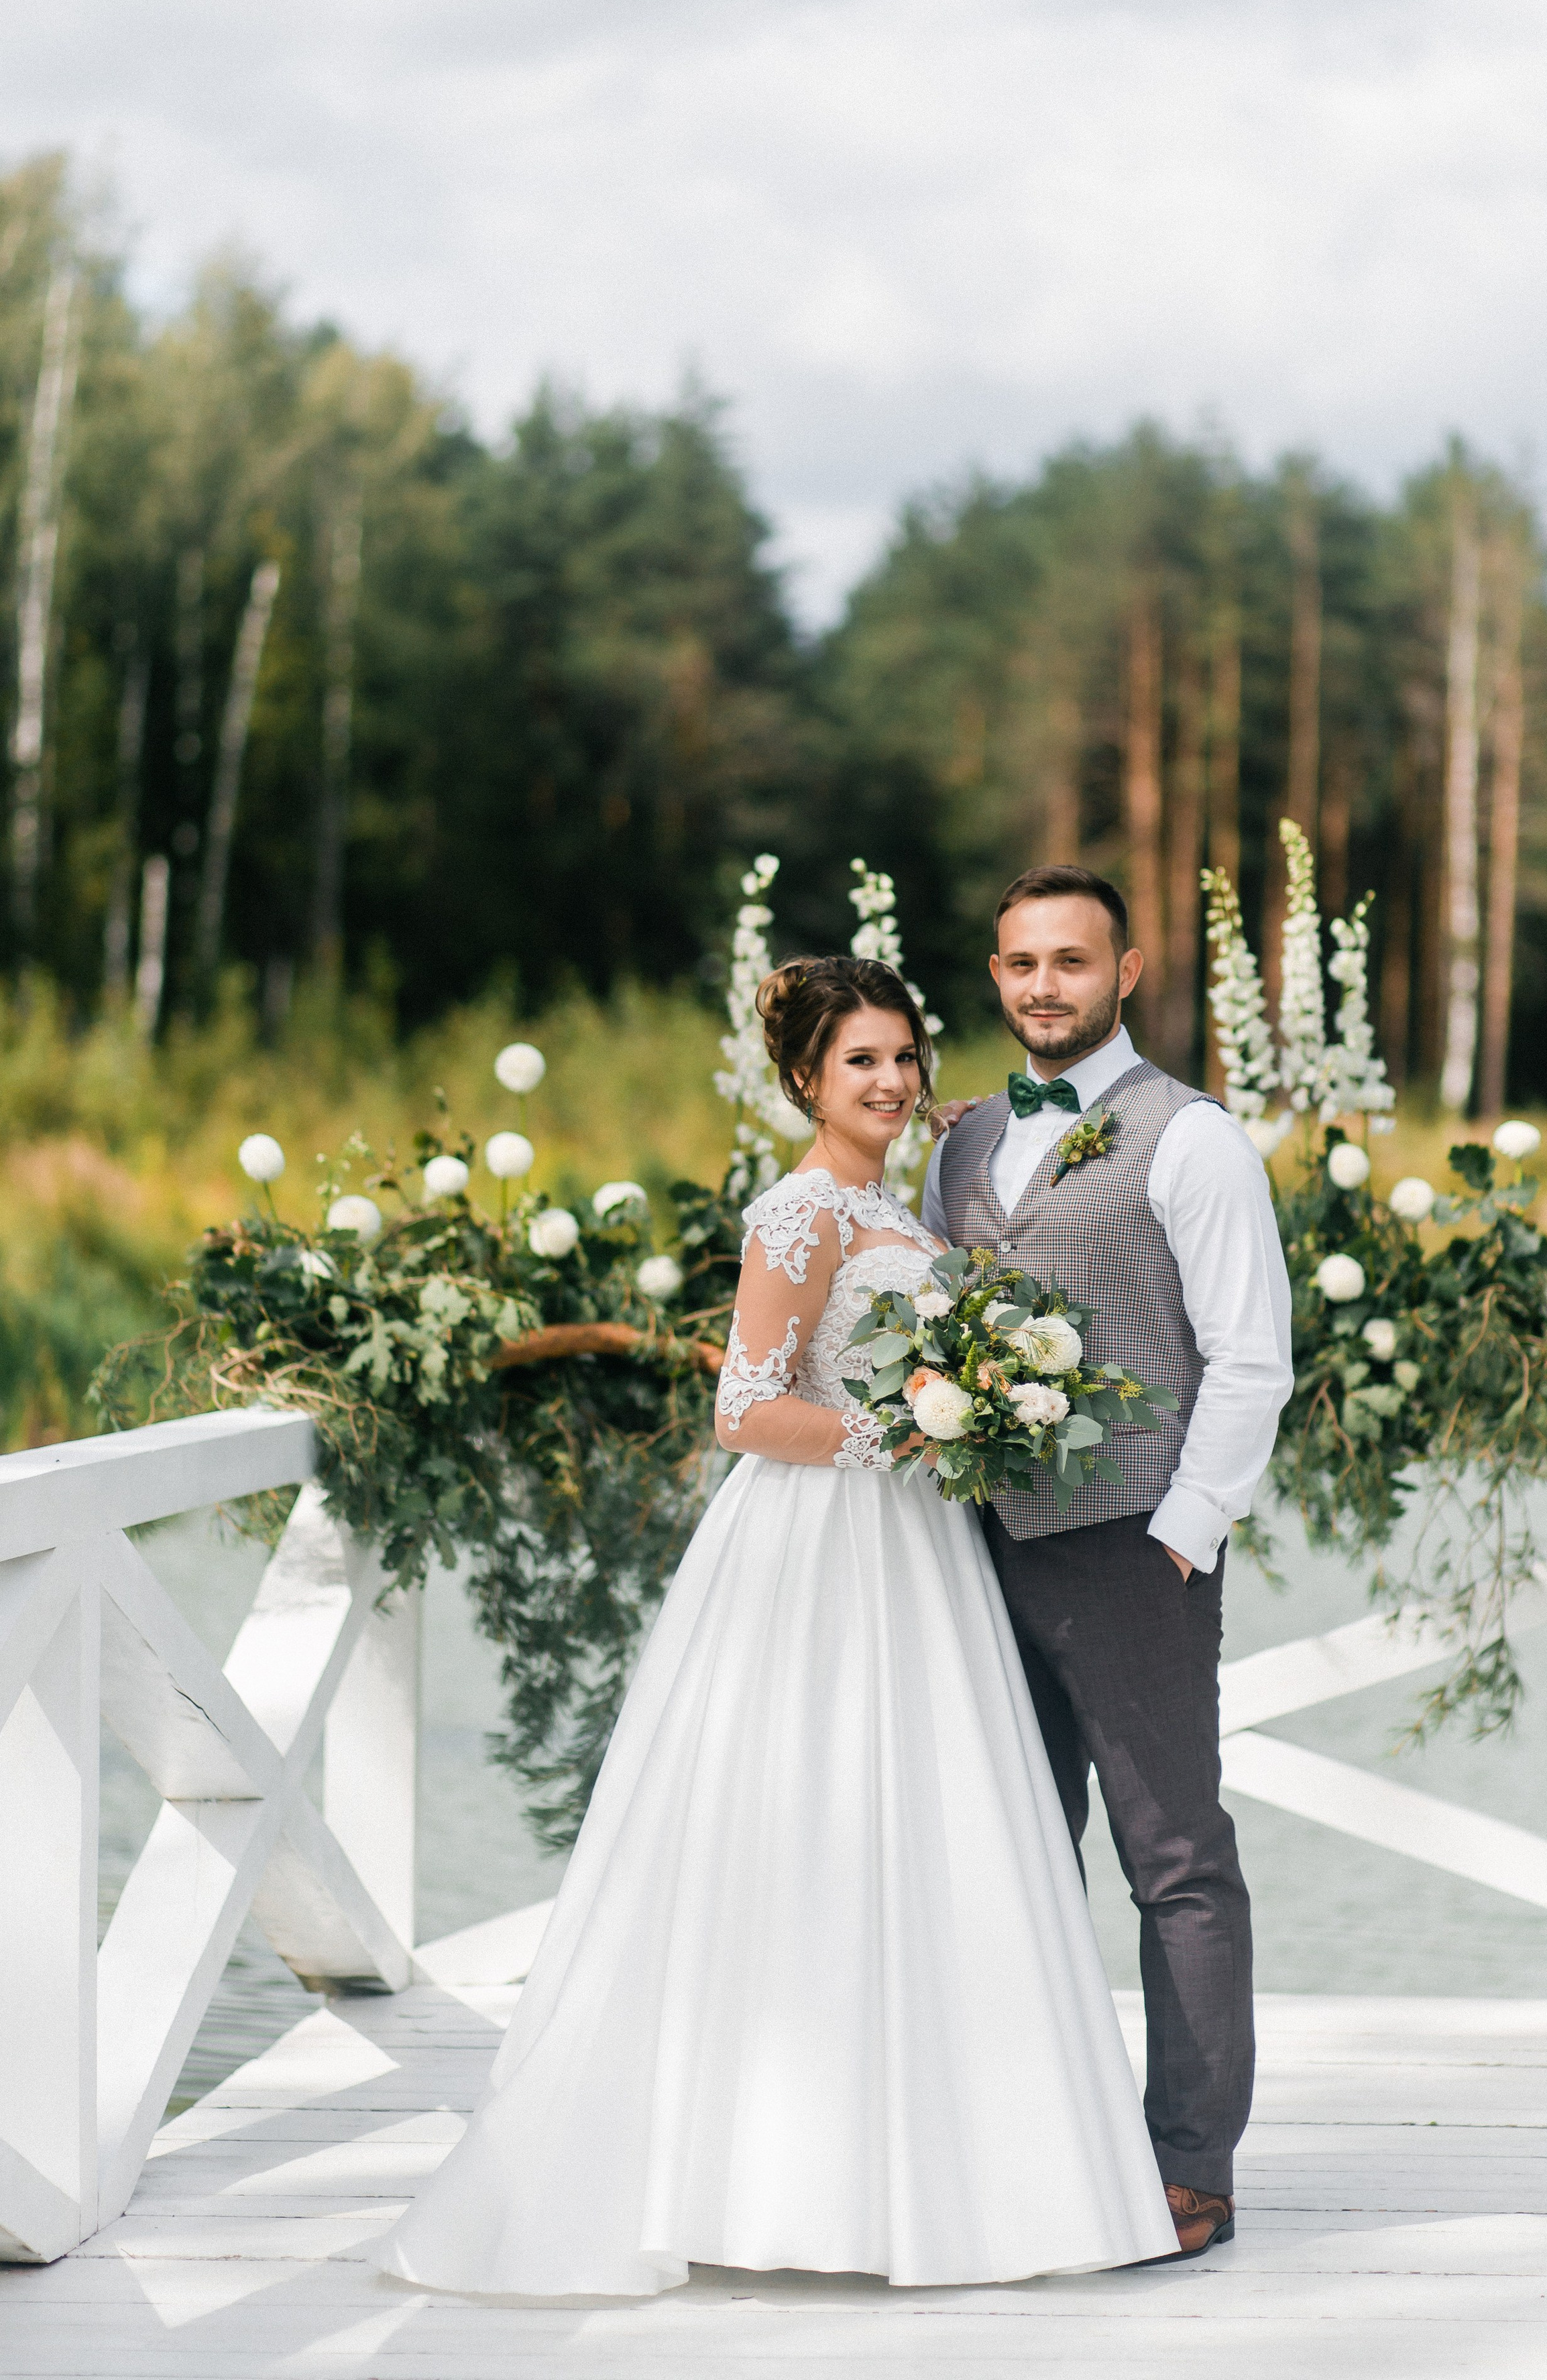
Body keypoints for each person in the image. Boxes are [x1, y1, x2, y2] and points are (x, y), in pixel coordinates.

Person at [371, 953, 1178, 2298]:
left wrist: (972, 1405)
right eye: (860, 1060)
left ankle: (930, 2181)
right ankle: (757, 2173)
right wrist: (906, 1427)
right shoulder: (796, 1216)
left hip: (917, 1553)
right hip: (819, 1548)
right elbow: (743, 1408)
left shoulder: (905, 1215)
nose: (889, 1079)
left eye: (904, 1057)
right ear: (806, 1078)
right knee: (793, 1829)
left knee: (926, 1841)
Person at [921, 865, 1294, 2258]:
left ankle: (1187, 2165)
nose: (1040, 987)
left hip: (1132, 1553)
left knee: (1173, 1862)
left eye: (1068, 962)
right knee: (1007, 1857)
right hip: (970, 1553)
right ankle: (1023, 2143)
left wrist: (1183, 1534)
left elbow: (1251, 1356)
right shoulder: (961, 1148)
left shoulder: (1190, 1140)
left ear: (1124, 972)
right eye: (1019, 963)